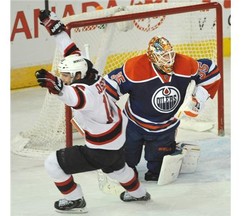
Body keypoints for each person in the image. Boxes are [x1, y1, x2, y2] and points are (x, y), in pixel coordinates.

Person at [35, 10, 150, 213]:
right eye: (63, 75)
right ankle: (139, 193)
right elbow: (72, 51)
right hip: (118, 138)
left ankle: (75, 200)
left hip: (100, 148)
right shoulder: (91, 73)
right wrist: (55, 29)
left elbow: (74, 97)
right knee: (117, 169)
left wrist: (56, 86)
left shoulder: (84, 93)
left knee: (53, 164)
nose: (64, 78)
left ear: (78, 75)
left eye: (67, 76)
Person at [104, 36, 221, 181]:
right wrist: (101, 116)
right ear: (152, 57)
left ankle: (164, 157)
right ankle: (128, 167)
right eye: (163, 56)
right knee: (125, 167)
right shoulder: (135, 68)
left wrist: (198, 99)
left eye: (170, 54)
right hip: (134, 124)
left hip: (166, 126)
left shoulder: (184, 63)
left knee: (159, 171)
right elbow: (106, 88)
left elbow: (211, 70)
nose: (169, 60)